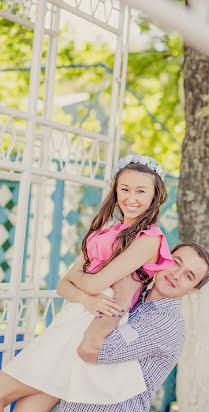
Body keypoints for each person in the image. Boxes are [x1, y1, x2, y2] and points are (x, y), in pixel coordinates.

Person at [0, 154, 175, 412]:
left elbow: (91, 282)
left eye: (141, 191)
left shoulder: (149, 239)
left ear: (154, 195)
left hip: (89, 326)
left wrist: (82, 284)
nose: (131, 198)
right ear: (116, 191)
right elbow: (63, 285)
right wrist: (86, 297)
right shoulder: (105, 232)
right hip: (74, 317)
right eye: (124, 189)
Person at [52, 241, 209, 412]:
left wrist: (123, 296)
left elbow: (90, 350)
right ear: (163, 259)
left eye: (189, 276)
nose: (176, 274)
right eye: (175, 262)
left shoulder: (166, 324)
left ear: (192, 289)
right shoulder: (136, 297)